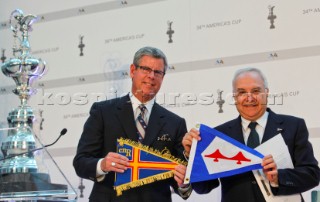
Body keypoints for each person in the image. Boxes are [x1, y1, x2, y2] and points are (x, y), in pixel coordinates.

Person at [182, 67, 320, 202]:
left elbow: (312, 175)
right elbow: (204, 187)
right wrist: (192, 155)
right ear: (235, 97)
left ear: (266, 93)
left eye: (255, 91)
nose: (249, 98)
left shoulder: (293, 126)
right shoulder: (220, 134)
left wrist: (279, 178)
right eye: (242, 92)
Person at [73, 46, 191, 202]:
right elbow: (81, 162)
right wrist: (103, 164)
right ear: (132, 70)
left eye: (158, 72)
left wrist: (183, 183)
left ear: (163, 77)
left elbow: (180, 178)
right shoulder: (103, 112)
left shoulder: (175, 123)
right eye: (146, 69)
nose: (151, 76)